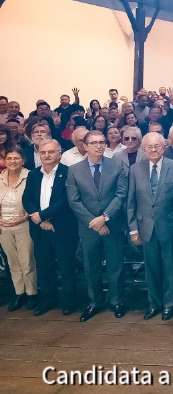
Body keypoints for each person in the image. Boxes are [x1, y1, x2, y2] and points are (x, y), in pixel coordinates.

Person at [66, 130, 129, 322]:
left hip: (113, 224)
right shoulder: (74, 170)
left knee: (115, 265)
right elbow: (74, 201)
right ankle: (94, 302)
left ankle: (116, 300)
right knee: (90, 266)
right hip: (88, 228)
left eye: (102, 142)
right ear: (85, 146)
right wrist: (94, 222)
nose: (99, 146)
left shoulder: (117, 165)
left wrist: (105, 217)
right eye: (93, 143)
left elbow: (121, 194)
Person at [127, 132, 173, 321]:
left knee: (169, 268)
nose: (153, 150)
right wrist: (133, 228)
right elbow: (131, 202)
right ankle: (154, 304)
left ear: (164, 147)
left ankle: (169, 304)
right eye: (149, 147)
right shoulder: (135, 169)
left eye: (157, 146)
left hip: (169, 227)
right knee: (151, 268)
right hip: (145, 228)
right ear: (143, 150)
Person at [22, 139, 78, 316]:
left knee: (66, 266)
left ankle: (69, 302)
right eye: (43, 152)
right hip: (40, 229)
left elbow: (66, 200)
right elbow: (27, 199)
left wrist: (43, 215)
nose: (47, 155)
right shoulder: (33, 174)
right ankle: (47, 300)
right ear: (39, 154)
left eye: (51, 152)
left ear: (59, 154)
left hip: (62, 229)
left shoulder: (68, 173)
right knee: (44, 267)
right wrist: (39, 219)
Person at [0, 148, 36, 311]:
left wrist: (24, 217)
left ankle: (31, 294)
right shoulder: (0, 178)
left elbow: (35, 201)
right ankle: (19, 292)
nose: (12, 161)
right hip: (4, 228)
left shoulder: (31, 177)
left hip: (24, 225)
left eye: (16, 158)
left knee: (27, 261)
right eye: (9, 158)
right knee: (13, 262)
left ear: (23, 160)